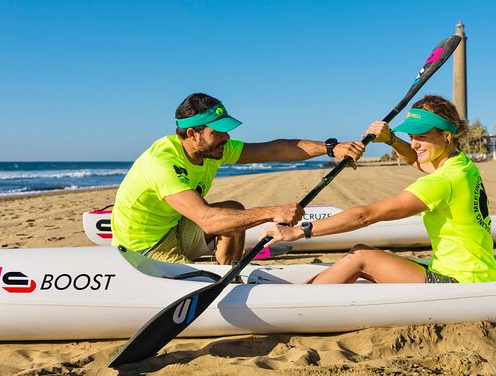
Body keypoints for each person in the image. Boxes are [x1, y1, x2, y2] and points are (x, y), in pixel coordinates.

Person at [262, 95, 496, 284]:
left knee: (361, 256)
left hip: (460, 281)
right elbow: (415, 160)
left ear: (446, 135)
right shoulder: (461, 166)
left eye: (422, 137)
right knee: (367, 255)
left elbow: (365, 216)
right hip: (474, 269)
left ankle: (301, 301)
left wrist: (299, 232)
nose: (414, 144)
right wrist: (391, 139)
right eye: (412, 136)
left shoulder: (441, 182)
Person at [112, 92, 365, 265]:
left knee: (233, 212)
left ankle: (228, 272)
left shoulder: (213, 149)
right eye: (218, 132)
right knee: (223, 221)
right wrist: (272, 212)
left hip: (175, 226)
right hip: (145, 247)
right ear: (192, 134)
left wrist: (331, 148)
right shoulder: (163, 164)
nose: (227, 138)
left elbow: (274, 149)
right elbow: (208, 221)